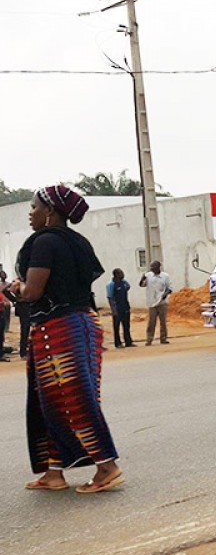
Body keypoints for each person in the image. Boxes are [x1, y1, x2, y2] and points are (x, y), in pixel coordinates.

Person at [10, 185, 123, 493]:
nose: (31, 213)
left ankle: (107, 466)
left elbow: (33, 292)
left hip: (59, 330)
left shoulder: (44, 243)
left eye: (34, 207)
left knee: (72, 400)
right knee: (50, 402)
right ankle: (54, 472)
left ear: (50, 212)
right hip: (82, 323)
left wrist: (14, 288)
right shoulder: (78, 242)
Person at [139, 260, 171, 345]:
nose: (152, 269)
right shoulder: (148, 275)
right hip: (151, 302)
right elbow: (142, 285)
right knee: (151, 322)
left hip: (162, 302)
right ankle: (149, 339)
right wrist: (142, 279)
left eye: (153, 267)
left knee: (163, 322)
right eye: (151, 267)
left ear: (158, 267)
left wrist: (165, 294)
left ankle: (163, 338)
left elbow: (169, 288)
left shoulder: (165, 276)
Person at [106, 268, 134, 348]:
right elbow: (110, 298)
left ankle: (128, 342)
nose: (123, 275)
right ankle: (118, 343)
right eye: (121, 273)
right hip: (117, 308)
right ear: (116, 275)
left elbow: (128, 287)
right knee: (116, 327)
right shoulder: (111, 285)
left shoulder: (124, 282)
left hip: (125, 306)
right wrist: (114, 310)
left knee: (126, 326)